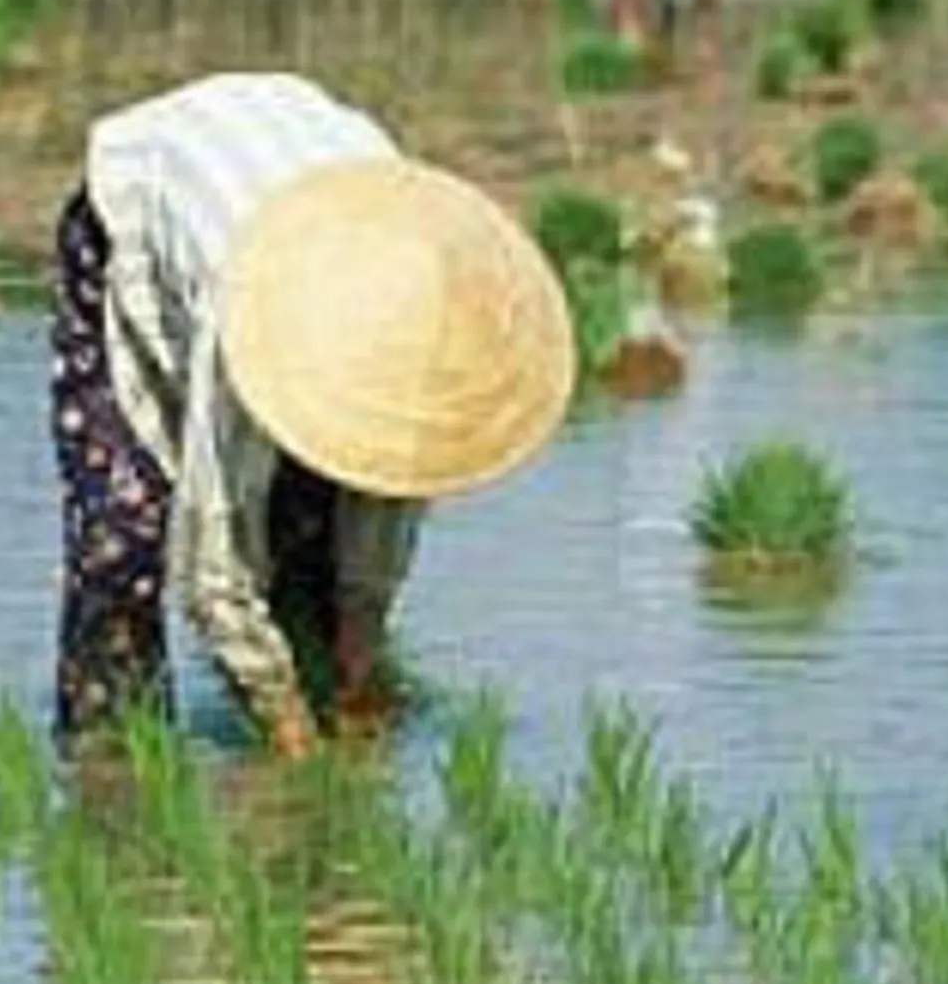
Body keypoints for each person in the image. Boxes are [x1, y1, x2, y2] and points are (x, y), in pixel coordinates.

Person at [51, 72, 572, 754]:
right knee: (124, 539)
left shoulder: (420, 291)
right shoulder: (249, 314)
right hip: (149, 203)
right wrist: (289, 732)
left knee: (311, 541)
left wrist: (359, 647)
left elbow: (388, 500)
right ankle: (109, 764)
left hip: (315, 193)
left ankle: (315, 686)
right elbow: (212, 572)